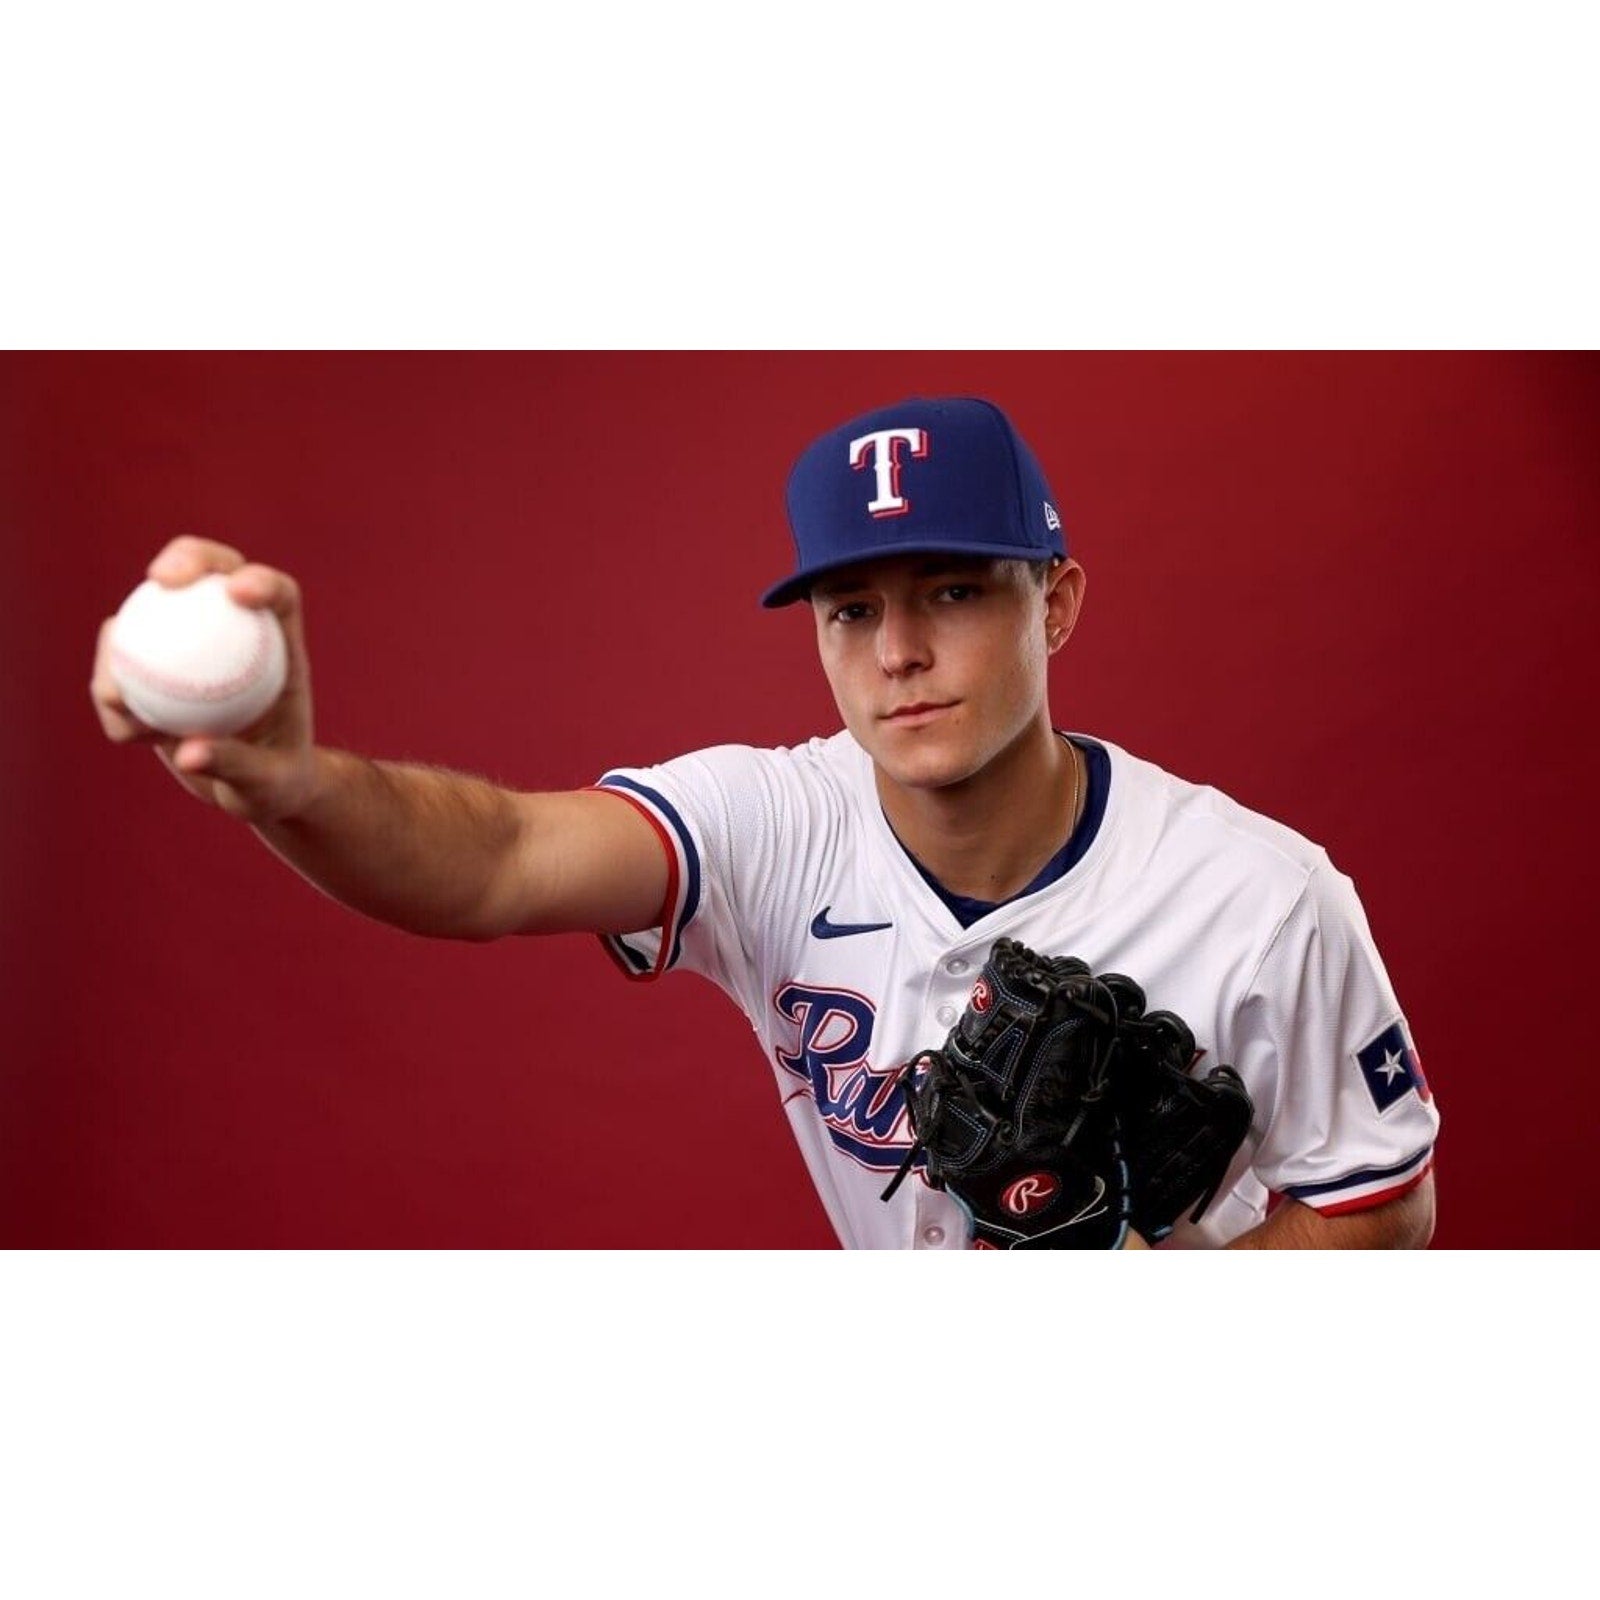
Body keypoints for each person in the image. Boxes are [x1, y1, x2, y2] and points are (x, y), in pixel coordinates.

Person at [91, 396, 1438, 1249]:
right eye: (853, 610)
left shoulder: (1263, 900)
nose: (899, 651)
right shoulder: (777, 825)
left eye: (954, 591)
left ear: (1058, 602)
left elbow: (1384, 1204)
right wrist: (298, 784)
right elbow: (497, 859)